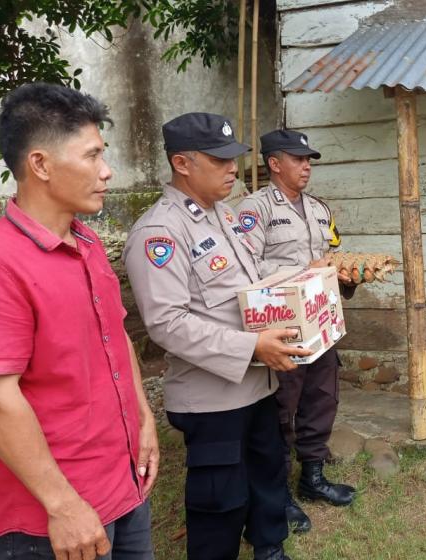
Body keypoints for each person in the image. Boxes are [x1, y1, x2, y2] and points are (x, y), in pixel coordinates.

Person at [122, 113, 312, 560]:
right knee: (220, 501)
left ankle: (269, 548)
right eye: (219, 159)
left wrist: (305, 273)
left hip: (257, 383)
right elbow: (166, 323)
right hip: (212, 398)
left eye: (235, 159)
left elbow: (252, 278)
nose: (233, 169)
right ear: (182, 164)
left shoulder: (224, 215)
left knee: (267, 474)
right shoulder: (158, 232)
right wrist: (252, 347)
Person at [0, 83, 157, 560]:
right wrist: (61, 505)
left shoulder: (87, 242)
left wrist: (142, 420)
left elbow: (116, 336)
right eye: (92, 156)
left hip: (123, 484)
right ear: (40, 164)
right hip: (52, 518)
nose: (106, 171)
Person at [236, 129, 356, 533]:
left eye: (309, 160)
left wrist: (346, 274)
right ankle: (278, 493)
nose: (307, 166)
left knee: (321, 399)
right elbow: (245, 270)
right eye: (298, 159)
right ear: (275, 163)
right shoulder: (255, 210)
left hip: (321, 322)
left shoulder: (320, 209)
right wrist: (305, 273)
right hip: (281, 329)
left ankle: (312, 477)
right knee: (281, 409)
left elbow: (332, 257)